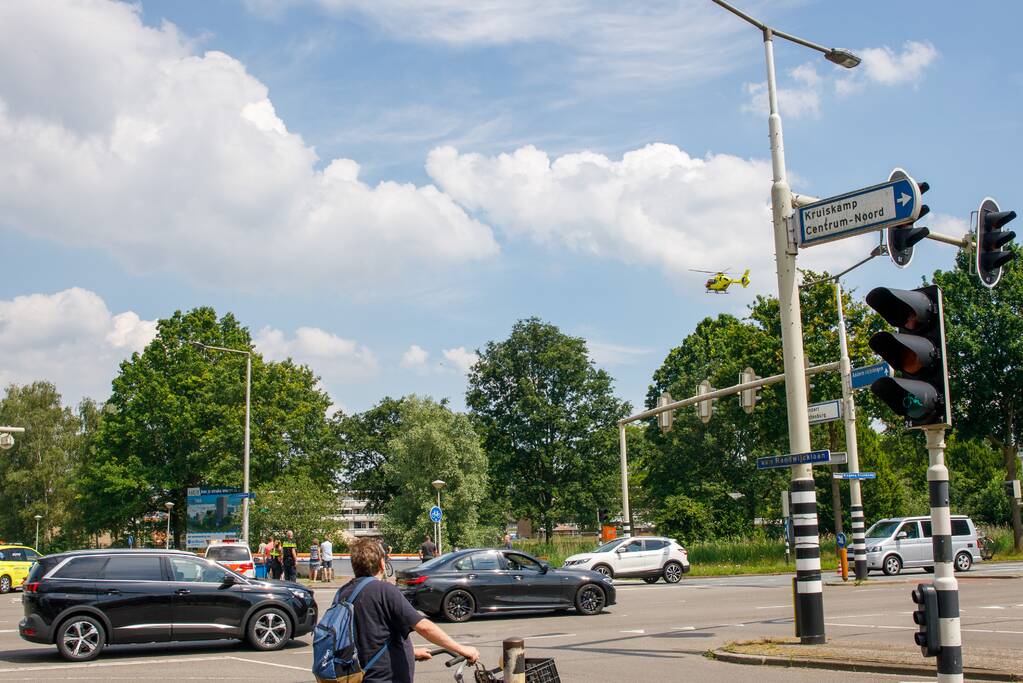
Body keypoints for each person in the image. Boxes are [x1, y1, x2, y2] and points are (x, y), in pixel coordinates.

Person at [329, 538, 478, 682]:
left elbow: (367, 637)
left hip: (357, 675)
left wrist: (411, 652)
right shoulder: (384, 590)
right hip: (384, 677)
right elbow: (424, 627)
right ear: (382, 564)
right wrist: (461, 649)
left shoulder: (343, 592)